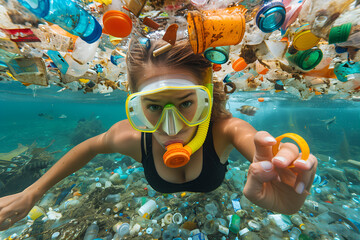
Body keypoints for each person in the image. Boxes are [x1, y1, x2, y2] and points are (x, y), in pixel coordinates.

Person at [0, 38, 317, 231]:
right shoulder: (130, 138)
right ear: (135, 105)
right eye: (152, 107)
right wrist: (34, 192)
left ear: (205, 97)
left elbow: (256, 140)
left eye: (186, 104)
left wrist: (285, 158)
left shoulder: (224, 130)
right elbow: (88, 147)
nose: (170, 126)